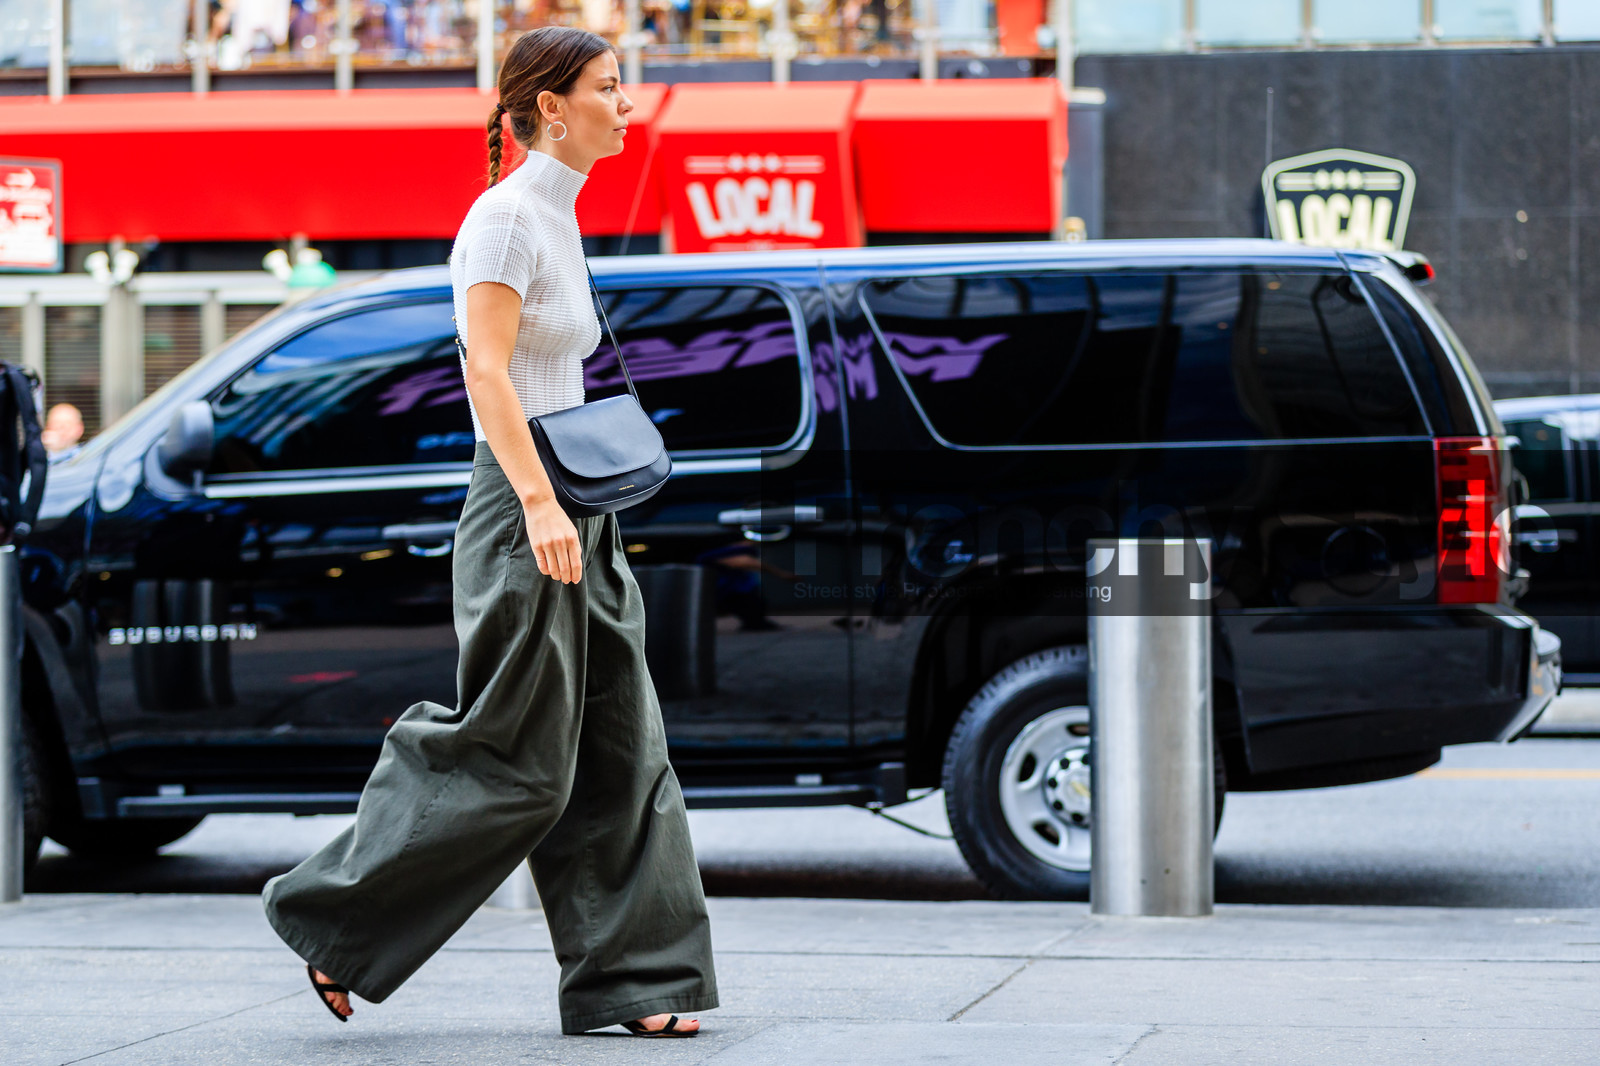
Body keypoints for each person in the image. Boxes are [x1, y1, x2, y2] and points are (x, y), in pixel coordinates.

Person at [260, 25, 719, 1039]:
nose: (626, 105)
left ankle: (636, 982)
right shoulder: (504, 220)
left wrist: (573, 508)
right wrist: (542, 502)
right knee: (514, 753)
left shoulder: (559, 217)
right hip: (524, 508)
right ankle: (334, 918)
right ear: (551, 106)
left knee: (621, 745)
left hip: (573, 508)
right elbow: (485, 371)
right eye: (608, 88)